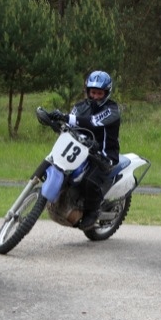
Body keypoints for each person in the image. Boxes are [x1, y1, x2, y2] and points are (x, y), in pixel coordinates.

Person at [50, 70, 121, 230]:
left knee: (90, 181)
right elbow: (70, 123)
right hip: (82, 150)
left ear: (106, 93)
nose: (95, 96)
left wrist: (65, 117)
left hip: (104, 155)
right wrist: (54, 120)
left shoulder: (112, 109)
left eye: (99, 93)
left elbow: (93, 122)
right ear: (88, 91)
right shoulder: (80, 106)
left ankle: (92, 212)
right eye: (93, 92)